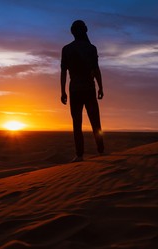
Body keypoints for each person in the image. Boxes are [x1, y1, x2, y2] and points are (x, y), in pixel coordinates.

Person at [60, 20, 104, 162]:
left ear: (73, 32)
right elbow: (96, 70)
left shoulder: (67, 49)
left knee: (77, 123)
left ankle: (80, 154)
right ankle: (100, 151)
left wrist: (63, 91)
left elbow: (63, 73)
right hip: (88, 89)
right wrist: (100, 87)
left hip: (76, 90)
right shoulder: (91, 48)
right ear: (85, 30)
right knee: (95, 122)